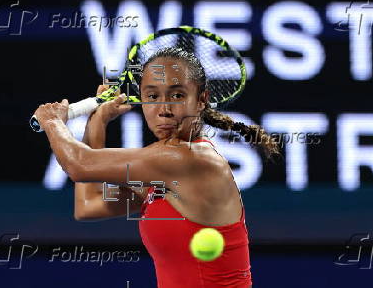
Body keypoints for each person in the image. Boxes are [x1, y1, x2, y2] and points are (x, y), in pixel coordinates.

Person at [34, 47, 278, 288]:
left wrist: (53, 121)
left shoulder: (189, 159)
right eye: (152, 96)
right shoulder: (166, 175)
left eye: (177, 95)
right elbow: (90, 205)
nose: (164, 110)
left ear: (202, 99)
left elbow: (79, 164)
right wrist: (97, 120)